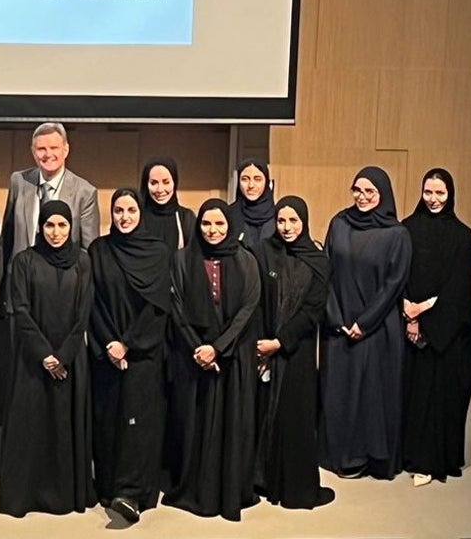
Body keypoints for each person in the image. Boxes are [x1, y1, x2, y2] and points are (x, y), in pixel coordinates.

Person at [0, 201, 97, 518]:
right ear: (40, 227)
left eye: (62, 225)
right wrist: (45, 355)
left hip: (70, 359)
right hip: (31, 359)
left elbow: (84, 313)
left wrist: (63, 355)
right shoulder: (25, 261)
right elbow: (21, 310)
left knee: (64, 424)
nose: (56, 232)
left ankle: (65, 494)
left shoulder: (82, 261)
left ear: (71, 228)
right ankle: (28, 495)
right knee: (31, 426)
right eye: (49, 225)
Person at [163, 199, 261, 521]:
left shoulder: (245, 260)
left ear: (229, 226)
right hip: (193, 357)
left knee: (231, 423)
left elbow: (248, 308)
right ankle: (196, 488)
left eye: (219, 224)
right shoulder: (181, 259)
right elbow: (176, 307)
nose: (213, 230)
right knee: (195, 424)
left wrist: (217, 347)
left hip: (232, 356)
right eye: (206, 224)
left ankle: (228, 489)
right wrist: (199, 348)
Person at [318, 166, 412, 480]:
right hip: (339, 325)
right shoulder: (339, 223)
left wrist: (365, 322)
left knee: (371, 395)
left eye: (369, 191)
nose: (362, 197)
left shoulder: (397, 234)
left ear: (382, 194)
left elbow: (394, 284)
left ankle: (368, 456)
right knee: (338, 392)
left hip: (377, 329)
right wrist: (335, 317)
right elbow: (325, 272)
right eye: (357, 190)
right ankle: (339, 454)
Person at [88, 188, 172, 523]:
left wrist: (129, 344)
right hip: (106, 352)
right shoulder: (99, 249)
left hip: (143, 354)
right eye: (119, 210)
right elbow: (92, 302)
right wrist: (109, 343)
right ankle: (109, 487)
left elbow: (157, 307)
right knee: (109, 421)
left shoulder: (158, 252)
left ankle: (133, 494)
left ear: (141, 213)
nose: (124, 217)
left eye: (131, 210)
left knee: (138, 425)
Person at [253, 196, 335, 509]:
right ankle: (261, 479)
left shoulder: (317, 260)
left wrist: (279, 342)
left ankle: (293, 486)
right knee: (262, 415)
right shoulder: (263, 252)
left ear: (304, 222)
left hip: (296, 353)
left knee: (294, 418)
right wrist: (262, 345)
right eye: (282, 221)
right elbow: (257, 299)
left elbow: (312, 310)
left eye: (293, 221)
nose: (287, 228)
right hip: (263, 351)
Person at [401, 169, 471, 487]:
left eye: (440, 194)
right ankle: (406, 455)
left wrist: (423, 315)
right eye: (428, 192)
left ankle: (430, 461)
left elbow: (461, 288)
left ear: (450, 195)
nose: (433, 199)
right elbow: (398, 274)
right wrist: (408, 313)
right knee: (411, 393)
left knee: (437, 396)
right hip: (407, 323)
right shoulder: (406, 229)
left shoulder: (461, 235)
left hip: (443, 332)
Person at [0, 122, 100, 276]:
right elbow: (7, 239)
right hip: (19, 281)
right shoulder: (19, 181)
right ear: (33, 152)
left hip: (61, 284)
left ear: (66, 150)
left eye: (54, 148)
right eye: (41, 149)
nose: (48, 154)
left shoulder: (84, 193)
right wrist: (2, 284)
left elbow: (89, 251)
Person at [139, 156, 197, 252]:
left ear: (175, 182)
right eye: (154, 183)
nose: (160, 189)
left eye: (166, 182)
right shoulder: (137, 217)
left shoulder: (186, 218)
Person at [228, 159, 277, 249]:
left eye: (257, 179)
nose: (251, 185)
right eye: (245, 179)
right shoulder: (228, 214)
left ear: (266, 182)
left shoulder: (278, 215)